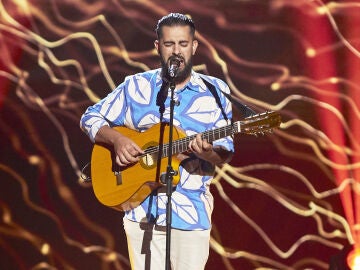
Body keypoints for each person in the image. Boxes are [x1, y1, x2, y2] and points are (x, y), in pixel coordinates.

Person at [80, 13, 234, 270]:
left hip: (191, 214)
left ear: (194, 46)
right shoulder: (135, 87)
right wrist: (117, 140)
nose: (177, 51)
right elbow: (90, 117)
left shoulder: (215, 91)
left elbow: (226, 151)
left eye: (183, 44)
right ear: (157, 47)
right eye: (169, 44)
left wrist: (207, 152)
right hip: (142, 214)